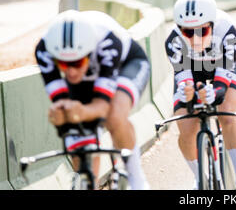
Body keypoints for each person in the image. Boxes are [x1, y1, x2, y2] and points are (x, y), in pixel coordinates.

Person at [35, 10, 151, 190]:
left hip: (125, 64)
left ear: (89, 52)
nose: (71, 71)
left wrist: (82, 112)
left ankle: (137, 180)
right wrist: (61, 115)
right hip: (87, 76)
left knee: (114, 115)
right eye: (64, 64)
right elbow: (62, 104)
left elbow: (102, 107)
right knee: (76, 128)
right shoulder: (44, 50)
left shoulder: (108, 43)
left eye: (77, 63)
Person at [164, 0, 236, 190]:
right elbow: (184, 80)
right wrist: (188, 92)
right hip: (193, 70)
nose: (194, 39)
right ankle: (200, 178)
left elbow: (222, 83)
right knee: (186, 126)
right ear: (179, 29)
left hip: (226, 66)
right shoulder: (173, 41)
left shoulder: (228, 32)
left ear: (212, 24)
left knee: (227, 113)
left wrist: (214, 93)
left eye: (202, 31)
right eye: (188, 32)